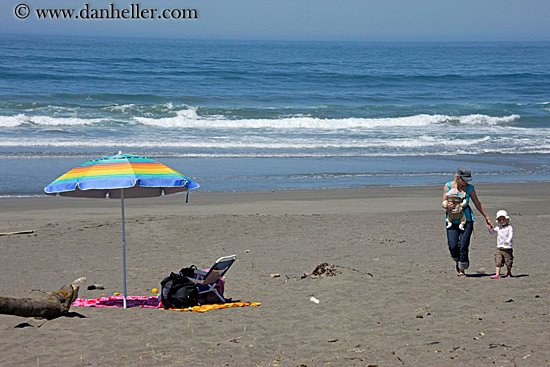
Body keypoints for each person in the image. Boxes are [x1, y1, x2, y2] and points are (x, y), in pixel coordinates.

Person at [441, 166, 494, 277]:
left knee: (464, 246)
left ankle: (462, 270)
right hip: (451, 219)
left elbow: (478, 204)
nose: (466, 182)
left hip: (467, 220)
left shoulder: (470, 188)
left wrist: (487, 218)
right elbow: (443, 202)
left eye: (467, 180)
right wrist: (447, 205)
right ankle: (458, 260)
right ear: (458, 177)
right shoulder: (448, 186)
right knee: (453, 245)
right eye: (464, 179)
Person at [488, 210, 514, 279]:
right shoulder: (498, 227)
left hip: (507, 248)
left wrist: (508, 241)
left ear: (507, 219)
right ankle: (497, 274)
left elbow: (511, 235)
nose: (502, 221)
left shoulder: (509, 227)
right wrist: (490, 228)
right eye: (500, 220)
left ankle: (509, 272)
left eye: (503, 219)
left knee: (508, 262)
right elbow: (492, 232)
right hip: (499, 247)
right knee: (498, 261)